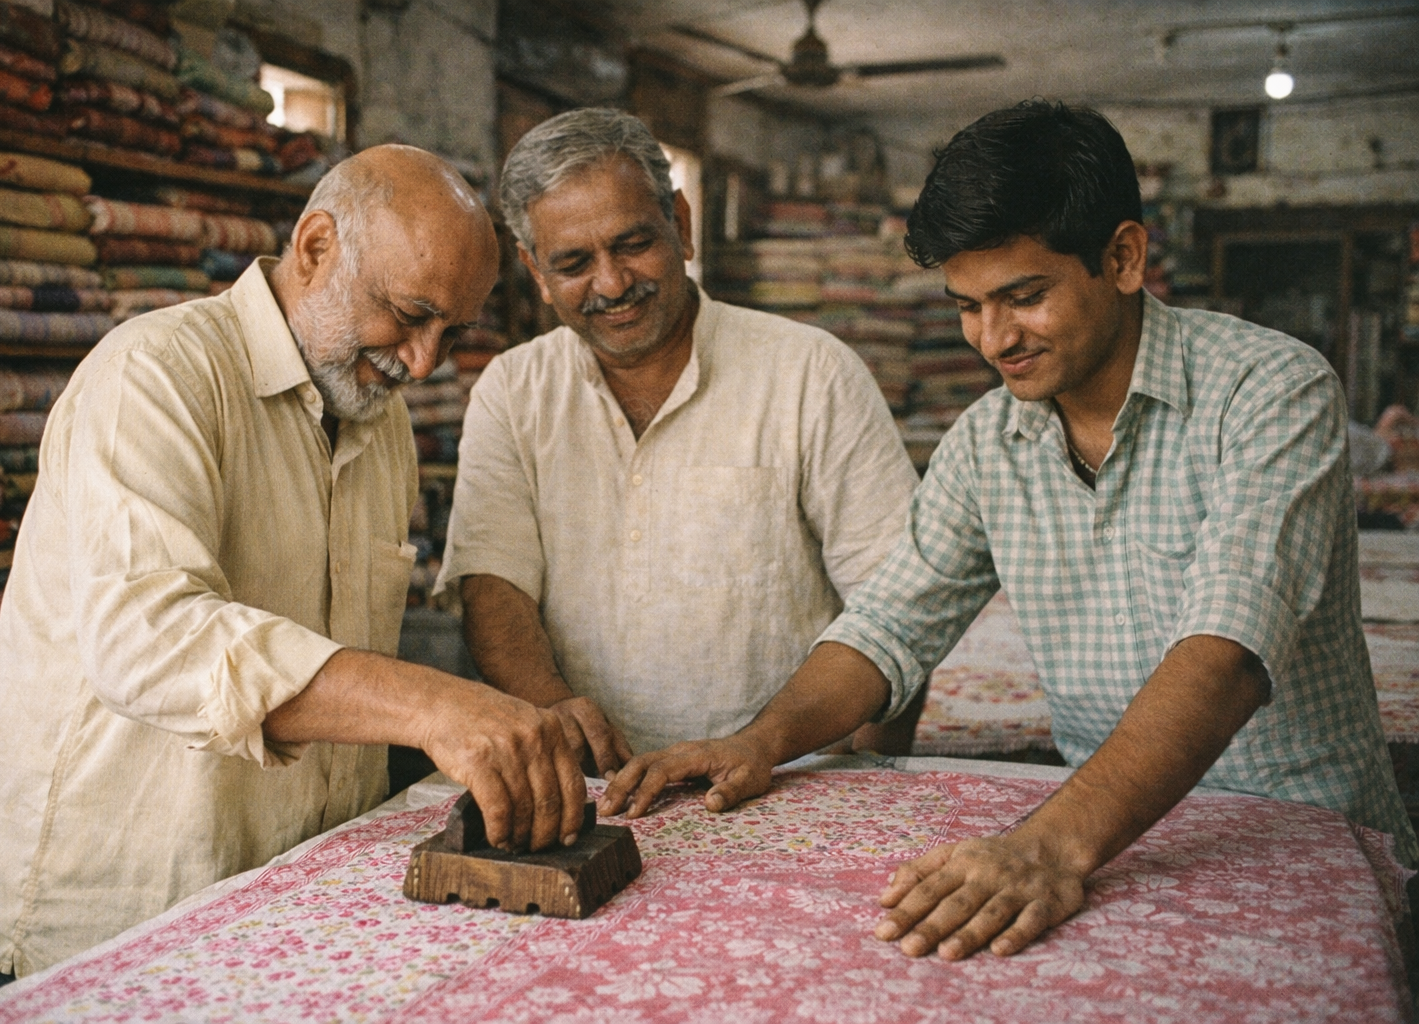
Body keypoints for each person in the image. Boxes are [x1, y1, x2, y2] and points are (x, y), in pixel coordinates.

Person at [600, 100, 1419, 960]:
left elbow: (1225, 656)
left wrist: (1047, 846)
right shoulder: (992, 442)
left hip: (1299, 849)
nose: (994, 339)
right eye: (968, 306)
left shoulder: (1271, 392)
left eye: (1024, 297)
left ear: (1124, 257)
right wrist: (758, 742)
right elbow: (886, 631)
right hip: (1115, 853)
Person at [0, 146, 587, 992]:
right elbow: (150, 639)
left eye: (452, 332)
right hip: (105, 921)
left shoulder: (377, 422)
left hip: (279, 911)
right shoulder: (158, 374)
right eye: (407, 313)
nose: (424, 362)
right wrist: (435, 704)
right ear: (316, 247)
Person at [435, 108, 918, 772]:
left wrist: (863, 776)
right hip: (594, 789)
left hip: (790, 782)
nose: (612, 283)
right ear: (535, 273)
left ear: (682, 226)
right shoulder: (512, 392)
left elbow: (897, 609)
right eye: (573, 262)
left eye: (633, 244)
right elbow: (494, 585)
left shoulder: (813, 375)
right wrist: (553, 708)